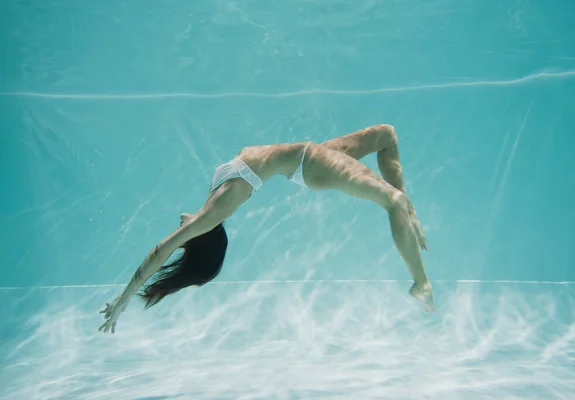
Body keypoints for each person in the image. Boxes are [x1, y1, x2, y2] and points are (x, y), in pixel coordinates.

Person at [99, 124, 434, 334]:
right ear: (197, 239)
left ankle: (410, 214)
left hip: (310, 157)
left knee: (387, 136)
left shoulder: (211, 204)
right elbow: (160, 253)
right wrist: (122, 298)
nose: (179, 226)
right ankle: (421, 282)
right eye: (185, 241)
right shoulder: (211, 215)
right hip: (311, 163)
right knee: (393, 201)